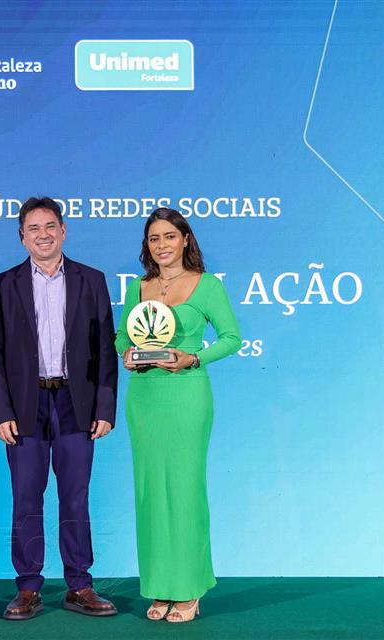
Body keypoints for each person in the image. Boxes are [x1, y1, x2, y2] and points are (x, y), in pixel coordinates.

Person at [0, 196, 119, 620]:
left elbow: (105, 348)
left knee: (75, 496)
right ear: (22, 237)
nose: (42, 235)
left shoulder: (91, 280)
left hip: (75, 403)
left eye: (50, 227)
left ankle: (79, 584)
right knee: (26, 496)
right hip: (24, 406)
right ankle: (28, 587)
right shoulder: (2, 285)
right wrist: (0, 411)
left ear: (63, 231)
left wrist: (105, 406)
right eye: (33, 229)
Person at [114, 207, 241, 623]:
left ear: (186, 239)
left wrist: (194, 358)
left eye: (169, 236)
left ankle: (188, 589)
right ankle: (160, 587)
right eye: (154, 238)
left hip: (187, 395)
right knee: (150, 492)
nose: (162, 245)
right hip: (144, 397)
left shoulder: (207, 285)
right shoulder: (138, 287)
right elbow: (122, 335)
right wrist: (126, 353)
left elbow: (232, 338)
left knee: (184, 491)